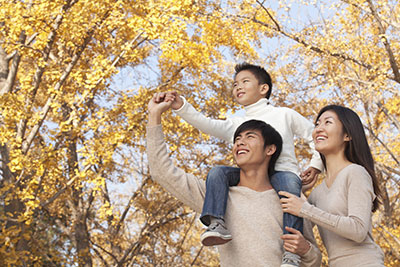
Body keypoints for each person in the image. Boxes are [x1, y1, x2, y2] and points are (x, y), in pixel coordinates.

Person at [167, 62, 323, 266]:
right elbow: (207, 124)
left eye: (244, 81)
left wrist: (316, 164)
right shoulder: (237, 123)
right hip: (249, 175)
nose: (238, 87)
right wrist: (182, 107)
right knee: (218, 172)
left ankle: (290, 252)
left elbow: (314, 136)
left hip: (282, 173)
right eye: (234, 84)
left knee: (291, 189)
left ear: (263, 88)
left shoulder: (284, 114)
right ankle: (216, 224)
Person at [279, 105, 385, 266]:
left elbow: (358, 230)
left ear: (347, 135)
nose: (319, 129)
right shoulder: (317, 193)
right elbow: (303, 236)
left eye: (327, 122)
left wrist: (305, 209)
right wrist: (298, 190)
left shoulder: (355, 172)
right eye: (317, 124)